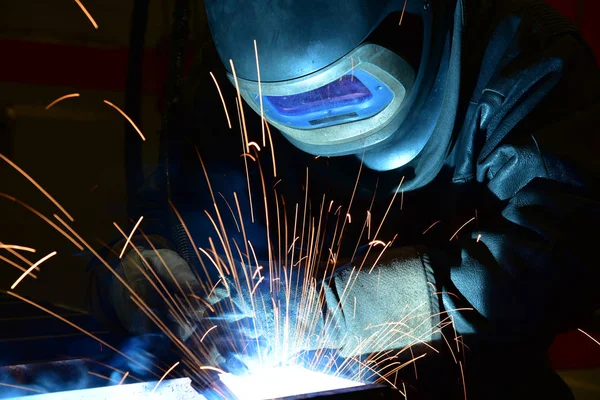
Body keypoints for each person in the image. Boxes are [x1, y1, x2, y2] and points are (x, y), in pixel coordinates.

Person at [90, 0, 600, 398]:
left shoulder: (521, 57)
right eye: (290, 103)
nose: (325, 118)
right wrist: (153, 279)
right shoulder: (246, 63)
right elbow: (173, 209)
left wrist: (331, 312)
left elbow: (554, 263)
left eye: (344, 90)